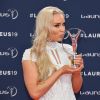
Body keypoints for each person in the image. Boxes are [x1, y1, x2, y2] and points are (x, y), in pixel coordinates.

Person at [22, 6, 84, 100]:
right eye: (57, 25)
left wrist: (77, 71)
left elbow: (76, 89)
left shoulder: (69, 49)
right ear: (44, 27)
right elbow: (35, 93)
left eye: (63, 24)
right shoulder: (30, 54)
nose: (62, 29)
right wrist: (61, 71)